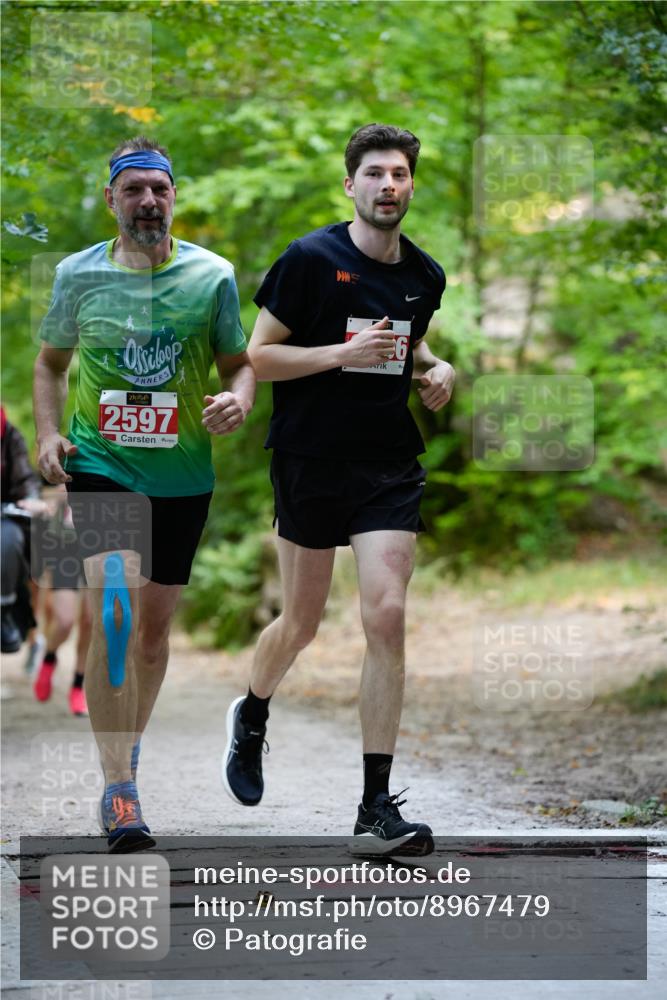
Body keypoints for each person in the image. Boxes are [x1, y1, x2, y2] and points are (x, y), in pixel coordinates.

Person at [222, 124, 455, 857]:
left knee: (385, 615)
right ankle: (253, 713)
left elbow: (411, 340)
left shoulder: (425, 275)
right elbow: (258, 356)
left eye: (400, 175)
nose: (389, 185)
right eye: (375, 174)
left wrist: (436, 366)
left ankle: (374, 807)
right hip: (308, 460)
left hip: (386, 463)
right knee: (301, 624)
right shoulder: (309, 260)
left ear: (410, 187)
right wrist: (340, 354)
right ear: (349, 185)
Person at [34, 136, 255, 852]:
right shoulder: (76, 276)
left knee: (153, 637)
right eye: (132, 190)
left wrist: (237, 401)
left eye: (158, 189)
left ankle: (123, 757)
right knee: (116, 609)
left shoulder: (211, 275)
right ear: (111, 200)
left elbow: (239, 364)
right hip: (101, 465)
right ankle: (119, 791)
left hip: (183, 476)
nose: (147, 202)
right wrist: (46, 436)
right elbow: (50, 366)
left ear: (173, 196)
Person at [32, 485, 92, 717]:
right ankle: (49, 657)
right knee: (65, 621)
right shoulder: (68, 456)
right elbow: (44, 495)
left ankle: (78, 686)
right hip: (65, 548)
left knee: (90, 621)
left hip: (99, 546)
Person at [1, 407, 44, 651]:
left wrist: (31, 497)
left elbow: (25, 476)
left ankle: (3, 610)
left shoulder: (10, 436)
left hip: (4, 514)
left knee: (9, 539)